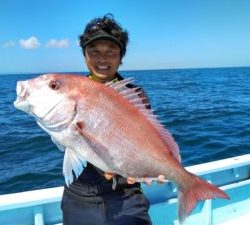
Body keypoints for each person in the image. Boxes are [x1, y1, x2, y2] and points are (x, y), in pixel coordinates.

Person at [61, 14, 152, 225]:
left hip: (126, 192)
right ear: (85, 55)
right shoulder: (69, 92)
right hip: (80, 193)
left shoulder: (135, 96)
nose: (102, 59)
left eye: (111, 52)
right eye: (94, 51)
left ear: (121, 57)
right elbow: (63, 136)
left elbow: (146, 140)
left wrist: (145, 169)